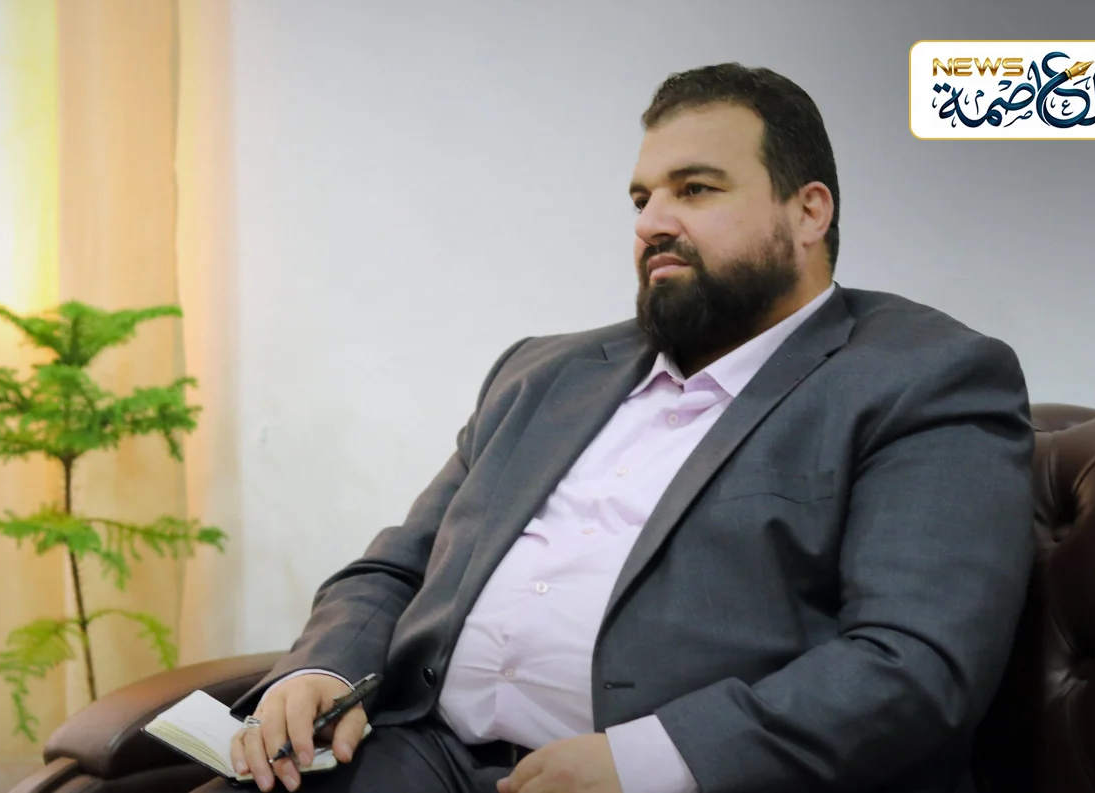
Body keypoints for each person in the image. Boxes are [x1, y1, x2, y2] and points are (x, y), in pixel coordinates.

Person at [198, 62, 1035, 793]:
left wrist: (648, 762)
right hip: (419, 751)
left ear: (808, 211)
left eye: (695, 189)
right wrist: (323, 667)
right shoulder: (544, 373)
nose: (651, 221)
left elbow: (913, 662)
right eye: (642, 197)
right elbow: (397, 566)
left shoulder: (922, 377)